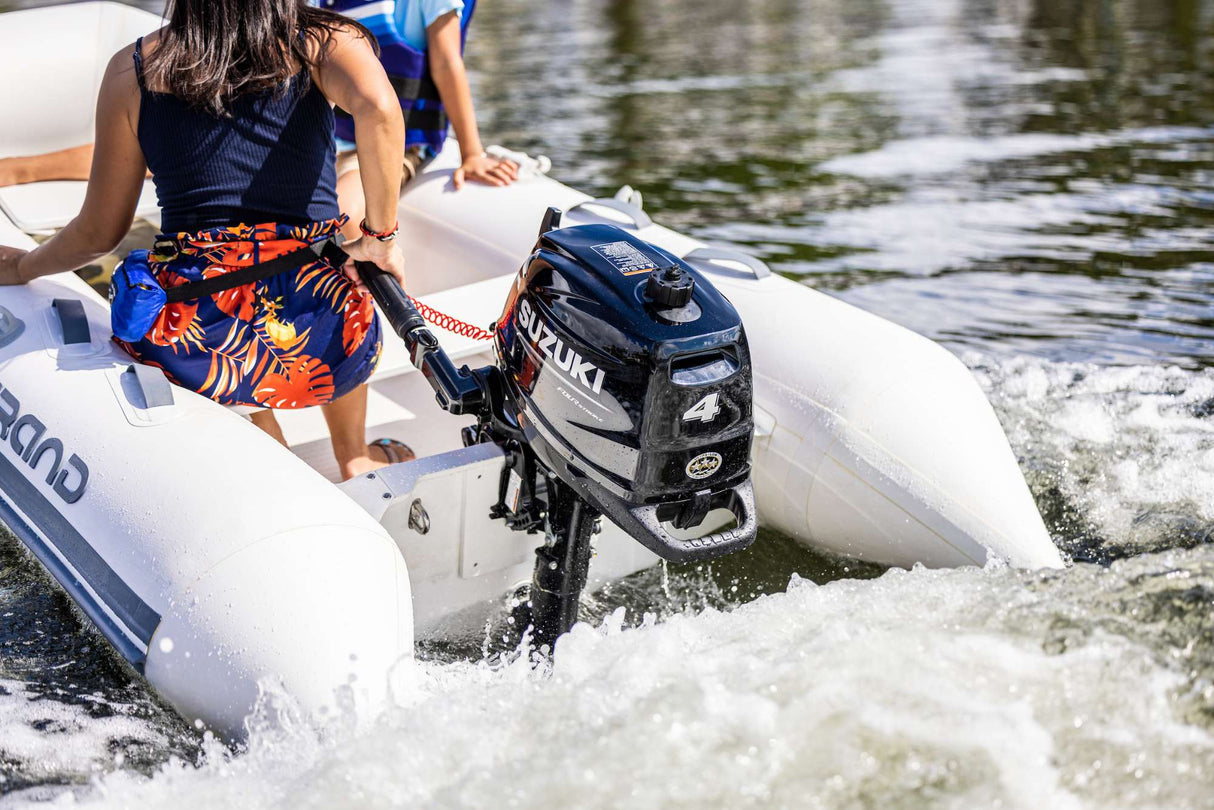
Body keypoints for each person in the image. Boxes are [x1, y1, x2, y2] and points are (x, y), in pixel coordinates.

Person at [0, 0, 408, 480]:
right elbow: (379, 109)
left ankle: (279, 469)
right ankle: (354, 455)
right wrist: (380, 238)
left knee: (229, 314)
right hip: (324, 333)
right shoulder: (323, 39)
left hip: (200, 341)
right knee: (332, 269)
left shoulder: (133, 70)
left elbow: (98, 234)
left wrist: (24, 267)